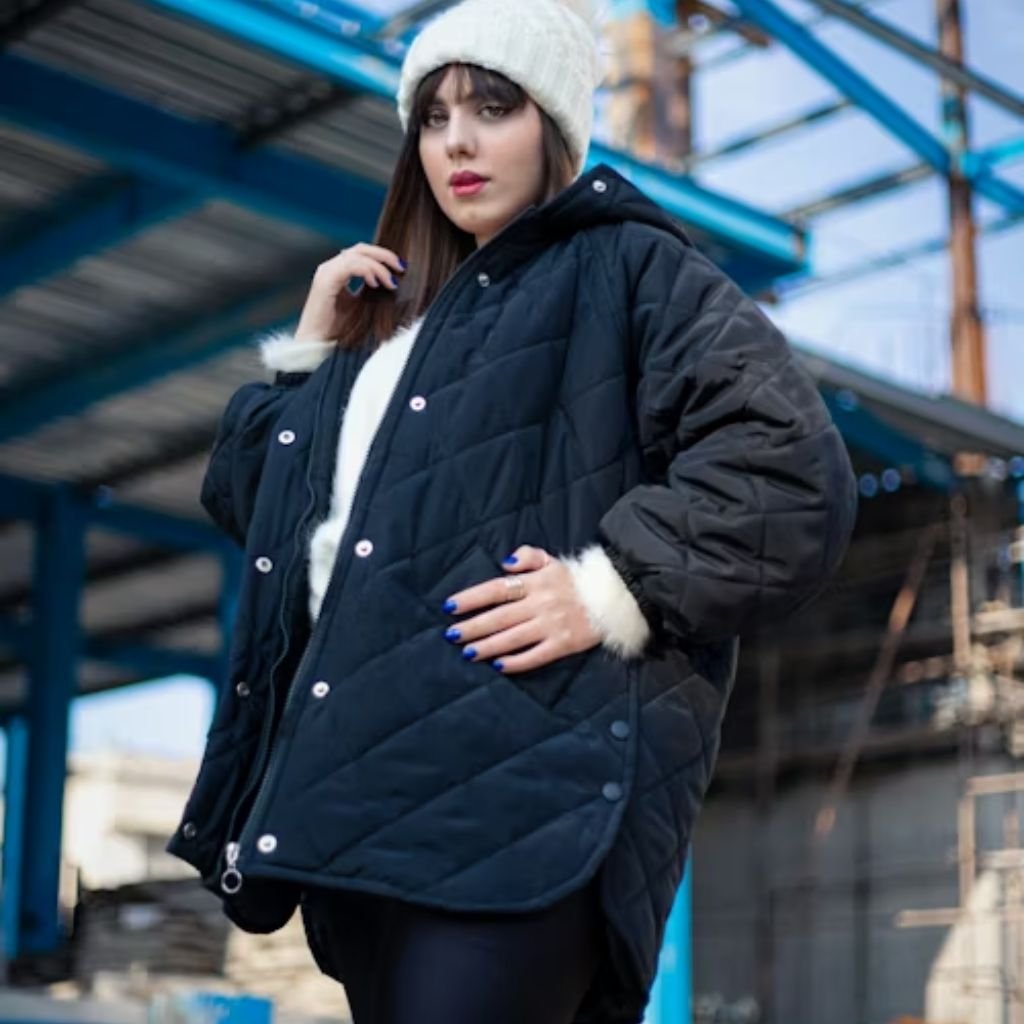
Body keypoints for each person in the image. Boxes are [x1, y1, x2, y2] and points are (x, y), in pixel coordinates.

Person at [166, 0, 858, 1021]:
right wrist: (311, 352)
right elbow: (263, 514)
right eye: (435, 116)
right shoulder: (395, 337)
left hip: (528, 804)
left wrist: (611, 586)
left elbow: (790, 468)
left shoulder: (627, 268)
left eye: (493, 107)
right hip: (365, 805)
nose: (458, 141)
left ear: (555, 123)